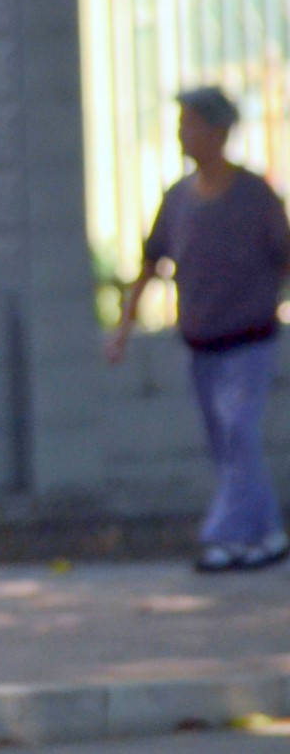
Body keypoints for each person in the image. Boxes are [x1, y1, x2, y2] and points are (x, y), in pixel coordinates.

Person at [111, 86, 290, 574]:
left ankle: (224, 535)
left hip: (249, 339)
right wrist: (123, 329)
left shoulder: (255, 195)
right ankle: (265, 534)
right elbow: (151, 263)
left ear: (218, 132)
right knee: (226, 444)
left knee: (239, 432)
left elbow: (285, 255)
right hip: (201, 343)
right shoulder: (177, 199)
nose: (182, 135)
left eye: (190, 125)